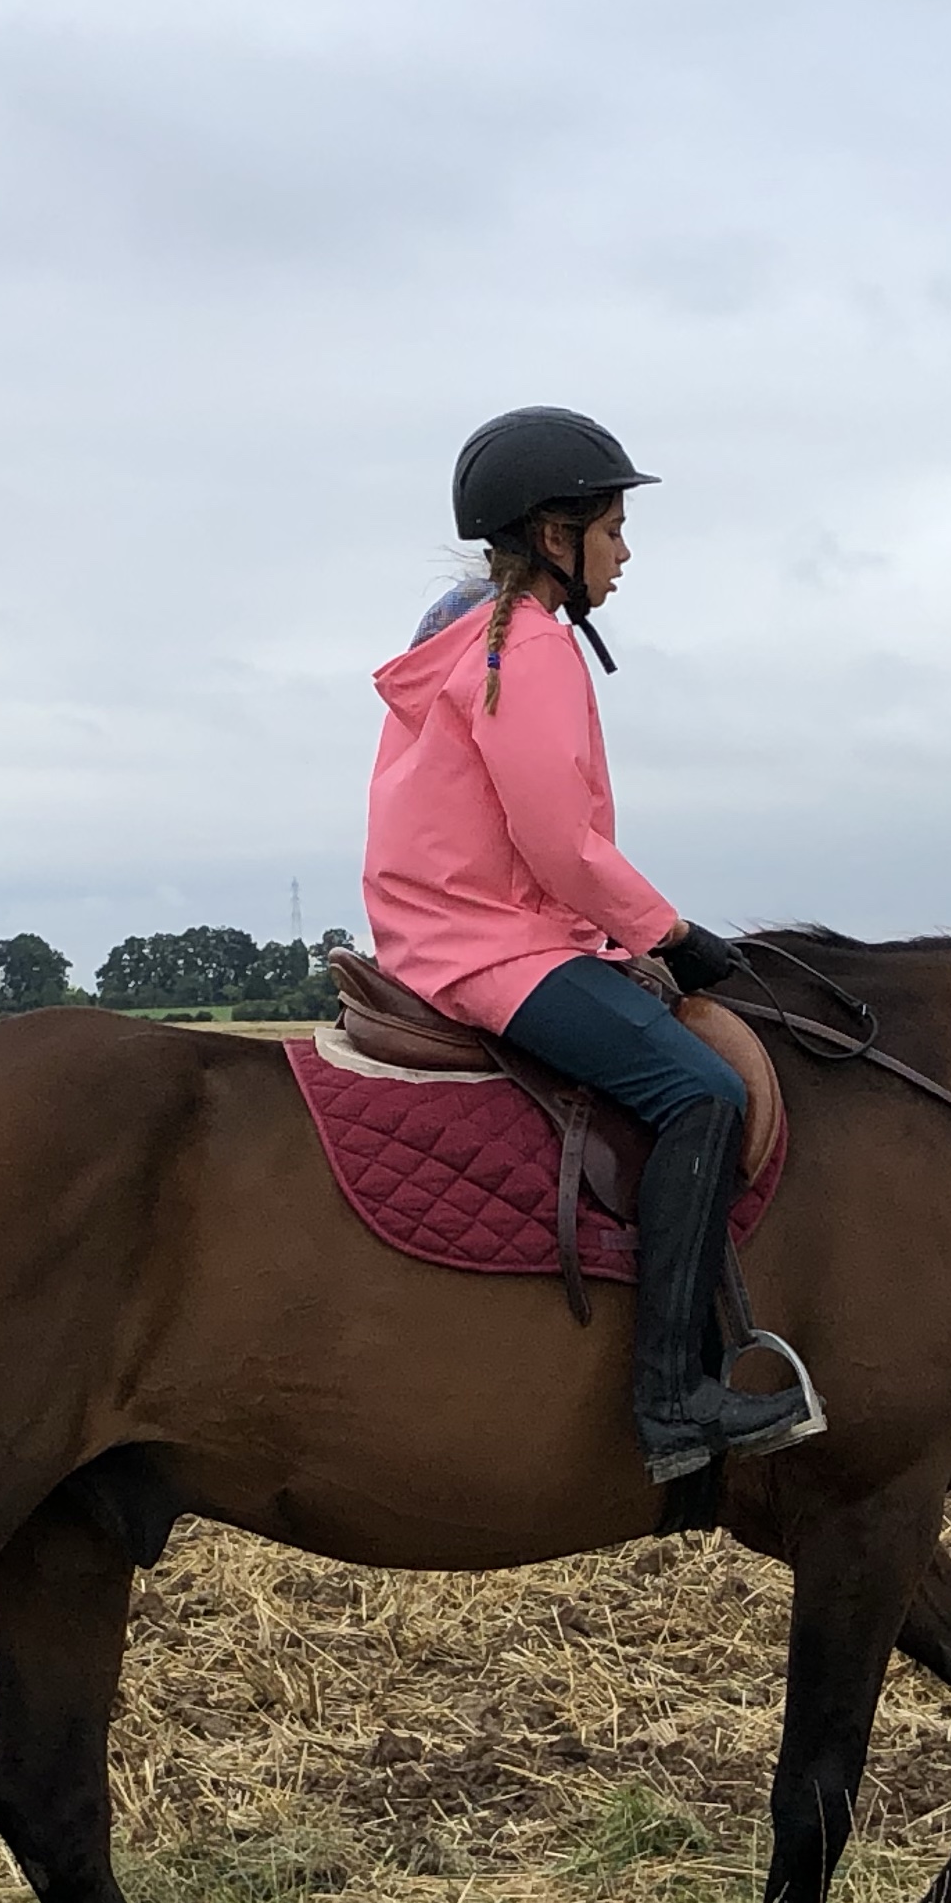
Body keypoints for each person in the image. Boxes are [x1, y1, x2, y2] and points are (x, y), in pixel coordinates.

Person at [361, 406, 820, 1484]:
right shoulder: (530, 649)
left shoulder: (474, 641)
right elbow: (558, 842)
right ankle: (672, 1398)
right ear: (555, 535)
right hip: (493, 948)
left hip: (469, 930)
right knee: (702, 1092)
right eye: (613, 529)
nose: (625, 552)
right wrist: (673, 933)